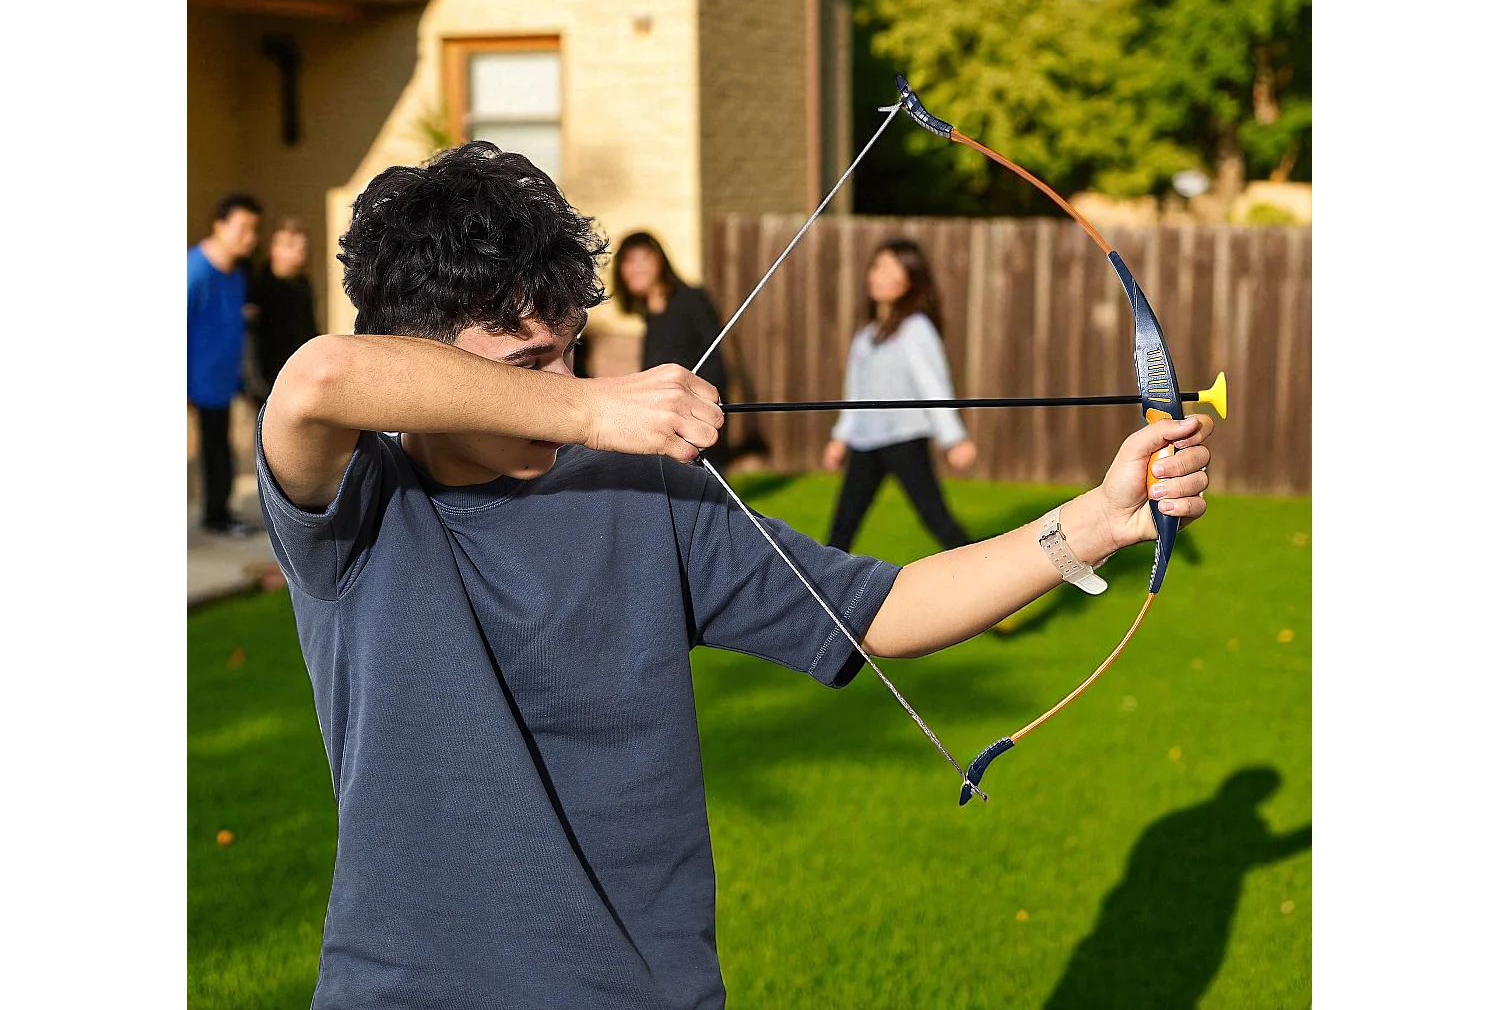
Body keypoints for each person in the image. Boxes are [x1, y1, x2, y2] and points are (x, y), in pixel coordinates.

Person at [258, 142, 1213, 1008]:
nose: (562, 379)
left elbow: (885, 610)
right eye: (527, 366)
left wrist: (1094, 521)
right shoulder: (356, 509)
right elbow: (318, 381)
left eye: (572, 352)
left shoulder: (650, 502)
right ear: (417, 358)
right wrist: (588, 410)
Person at [824, 238, 977, 553]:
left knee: (936, 518)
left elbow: (933, 385)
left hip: (904, 439)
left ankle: (991, 578)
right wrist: (841, 438)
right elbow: (855, 394)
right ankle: (820, 597)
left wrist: (953, 438)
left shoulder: (916, 328)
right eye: (878, 266)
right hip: (866, 443)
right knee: (842, 527)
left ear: (909, 281)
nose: (880, 275)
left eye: (893, 269)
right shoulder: (865, 336)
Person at [612, 230, 730, 470]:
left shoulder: (691, 299)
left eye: (643, 258)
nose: (636, 268)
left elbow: (715, 363)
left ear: (660, 261)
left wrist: (704, 415)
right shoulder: (650, 313)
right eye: (629, 261)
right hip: (665, 419)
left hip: (695, 418)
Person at [187, 192, 262, 536]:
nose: (250, 237)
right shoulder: (195, 270)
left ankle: (219, 513)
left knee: (222, 450)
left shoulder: (236, 275)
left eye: (254, 229)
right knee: (214, 451)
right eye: (242, 227)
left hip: (221, 381)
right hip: (196, 382)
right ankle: (216, 516)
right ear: (219, 225)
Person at [245, 216, 320, 406]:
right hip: (263, 388)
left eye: (302, 246)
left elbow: (309, 332)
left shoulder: (303, 286)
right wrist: (259, 388)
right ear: (274, 248)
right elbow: (249, 345)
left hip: (297, 382)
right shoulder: (258, 287)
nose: (297, 251)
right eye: (289, 245)